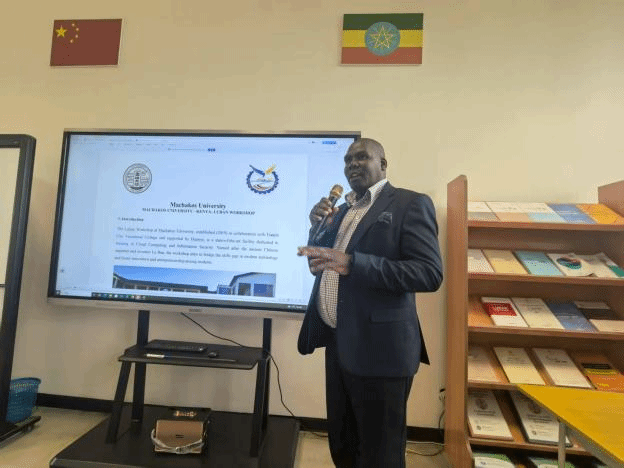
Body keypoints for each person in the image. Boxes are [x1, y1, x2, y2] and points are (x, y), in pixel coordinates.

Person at [296, 138, 443, 468]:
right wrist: (316, 228)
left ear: (383, 164)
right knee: (343, 446)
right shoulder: (343, 211)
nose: (352, 164)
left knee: (380, 455)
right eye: (348, 160)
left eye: (362, 157)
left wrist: (354, 263)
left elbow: (429, 273)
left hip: (382, 351)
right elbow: (320, 264)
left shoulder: (409, 204)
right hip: (339, 343)